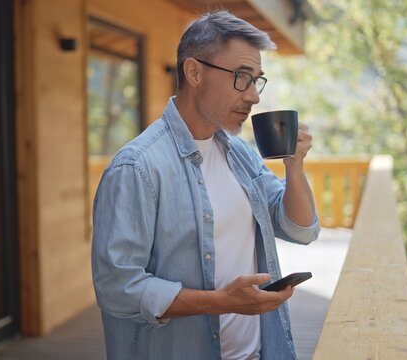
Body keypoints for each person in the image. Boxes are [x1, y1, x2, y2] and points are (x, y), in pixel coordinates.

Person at [91, 10, 320, 360]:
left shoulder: (238, 152)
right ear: (194, 72)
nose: (253, 96)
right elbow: (117, 287)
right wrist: (221, 303)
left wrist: (294, 164)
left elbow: (299, 228)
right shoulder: (137, 168)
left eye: (257, 80)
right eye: (241, 77)